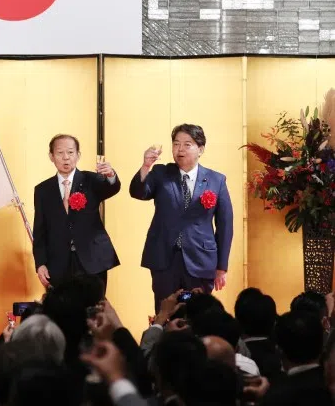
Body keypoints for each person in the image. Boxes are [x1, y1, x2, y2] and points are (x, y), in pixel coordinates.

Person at [130, 124, 233, 311]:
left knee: (197, 314)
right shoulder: (161, 173)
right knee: (166, 311)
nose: (180, 149)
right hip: (165, 259)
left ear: (200, 149)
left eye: (187, 144)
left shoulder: (216, 180)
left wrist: (222, 267)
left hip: (200, 260)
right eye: (176, 144)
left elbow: (225, 226)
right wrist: (146, 166)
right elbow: (138, 192)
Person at [32, 134, 120, 291]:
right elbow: (40, 231)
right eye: (60, 153)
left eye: (70, 152)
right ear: (51, 156)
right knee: (64, 311)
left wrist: (111, 175)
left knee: (94, 310)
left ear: (78, 155)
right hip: (59, 263)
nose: (66, 158)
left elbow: (111, 188)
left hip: (92, 259)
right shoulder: (42, 190)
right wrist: (40, 263)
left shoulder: (91, 180)